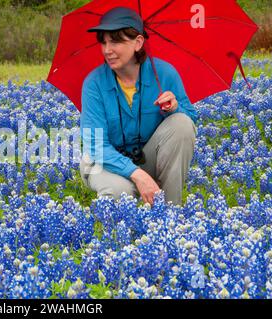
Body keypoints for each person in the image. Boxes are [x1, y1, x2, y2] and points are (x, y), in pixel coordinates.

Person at [79, 7, 197, 206]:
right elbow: (96, 145)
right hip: (104, 163)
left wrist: (175, 108)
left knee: (182, 123)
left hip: (146, 158)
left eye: (115, 41)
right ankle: (119, 234)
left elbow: (191, 122)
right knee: (120, 192)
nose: (107, 50)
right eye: (104, 42)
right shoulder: (94, 83)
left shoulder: (164, 74)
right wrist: (137, 174)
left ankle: (170, 213)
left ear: (138, 42)